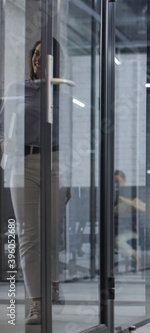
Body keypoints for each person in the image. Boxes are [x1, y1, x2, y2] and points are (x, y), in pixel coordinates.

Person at [0, 39, 71, 325]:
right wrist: (4, 142)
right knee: (28, 236)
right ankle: (36, 304)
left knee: (51, 234)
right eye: (36, 54)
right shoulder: (16, 89)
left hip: (55, 163)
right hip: (23, 163)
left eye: (44, 56)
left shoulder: (62, 93)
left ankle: (53, 283)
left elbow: (73, 136)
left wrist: (71, 179)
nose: (38, 60)